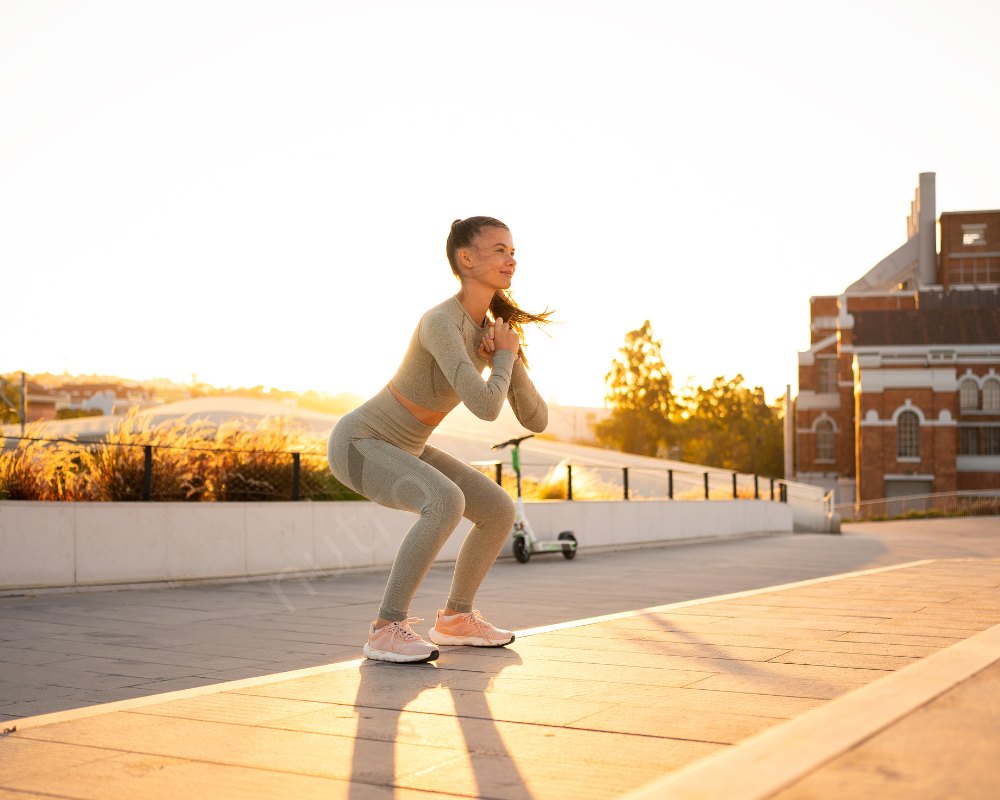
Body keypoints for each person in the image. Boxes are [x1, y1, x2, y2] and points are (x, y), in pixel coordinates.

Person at [327, 216, 551, 664]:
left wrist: (510, 356)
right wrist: (503, 358)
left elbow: (536, 418)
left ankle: (455, 619)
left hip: (407, 445)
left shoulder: (491, 328)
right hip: (360, 442)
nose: (511, 259)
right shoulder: (439, 323)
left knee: (498, 509)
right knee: (445, 500)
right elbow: (485, 407)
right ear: (466, 259)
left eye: (513, 250)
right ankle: (385, 629)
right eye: (499, 250)